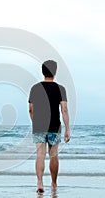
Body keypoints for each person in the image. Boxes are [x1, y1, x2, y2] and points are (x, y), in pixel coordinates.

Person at [28, 60, 70, 193]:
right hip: (54, 126)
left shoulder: (35, 88)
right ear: (55, 72)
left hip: (39, 126)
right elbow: (64, 109)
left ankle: (40, 183)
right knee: (53, 155)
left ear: (42, 72)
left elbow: (30, 109)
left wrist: (35, 122)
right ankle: (54, 184)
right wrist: (67, 129)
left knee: (40, 154)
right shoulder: (60, 89)